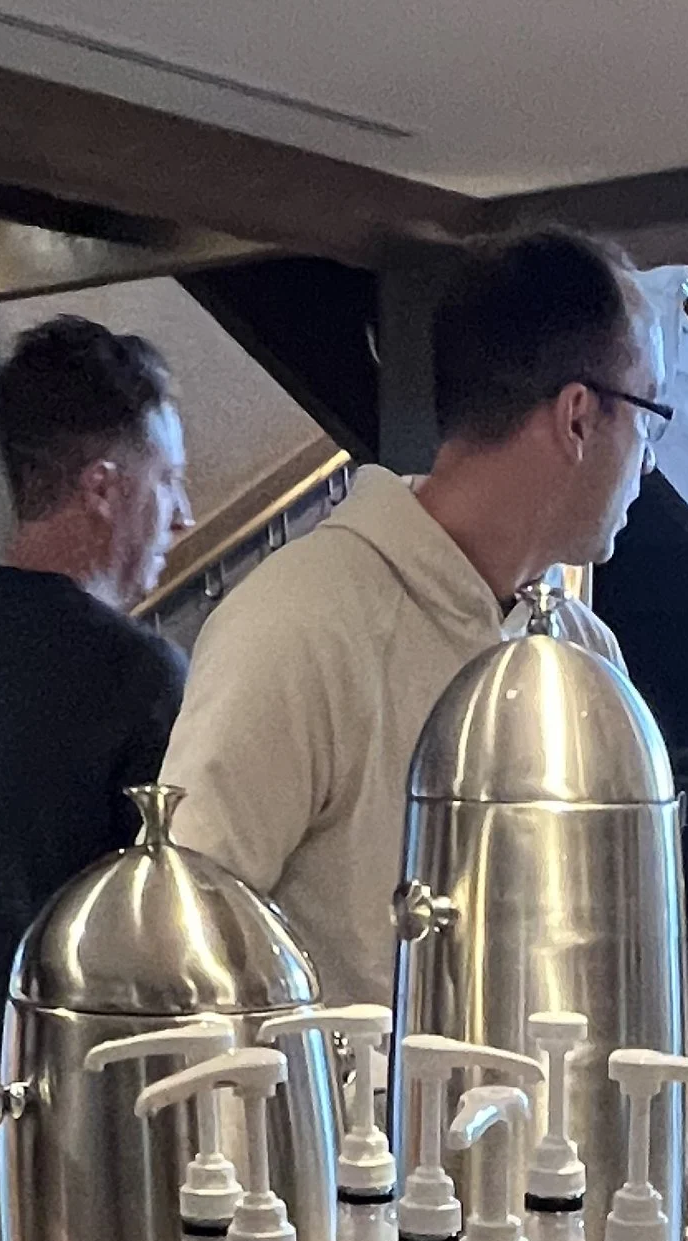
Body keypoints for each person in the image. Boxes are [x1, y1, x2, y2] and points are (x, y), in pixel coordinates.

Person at [156, 230, 659, 1005]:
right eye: (648, 414)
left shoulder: (588, 654)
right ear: (579, 417)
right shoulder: (298, 622)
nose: (649, 460)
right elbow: (181, 955)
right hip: (359, 1125)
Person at [0, 317, 193, 1241]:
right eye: (168, 480)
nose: (183, 515)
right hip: (91, 1112)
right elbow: (169, 913)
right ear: (103, 487)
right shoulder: (136, 670)